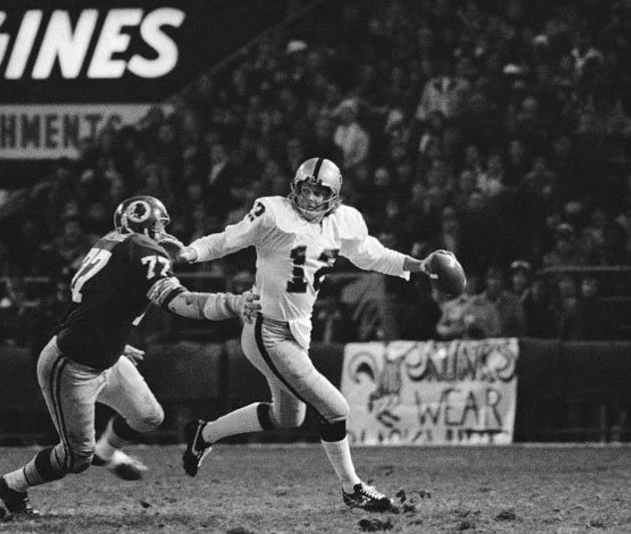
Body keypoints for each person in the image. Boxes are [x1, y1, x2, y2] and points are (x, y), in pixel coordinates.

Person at [174, 157, 444, 513]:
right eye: (307, 190)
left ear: (334, 197)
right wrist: (189, 253)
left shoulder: (345, 222)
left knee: (289, 418)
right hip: (266, 330)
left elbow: (373, 256)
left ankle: (202, 434)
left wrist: (419, 265)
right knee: (335, 408)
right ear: (295, 188)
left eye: (321, 192)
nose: (313, 199)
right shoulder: (272, 212)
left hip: (296, 334)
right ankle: (353, 488)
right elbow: (227, 240)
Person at [0, 196, 259, 517]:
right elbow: (181, 303)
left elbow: (102, 299)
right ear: (143, 223)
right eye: (159, 225)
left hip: (104, 353)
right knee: (75, 458)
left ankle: (107, 453)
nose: (163, 233)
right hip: (72, 364)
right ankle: (13, 485)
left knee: (148, 417)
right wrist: (232, 302)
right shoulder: (144, 252)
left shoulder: (113, 242)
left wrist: (116, 342)